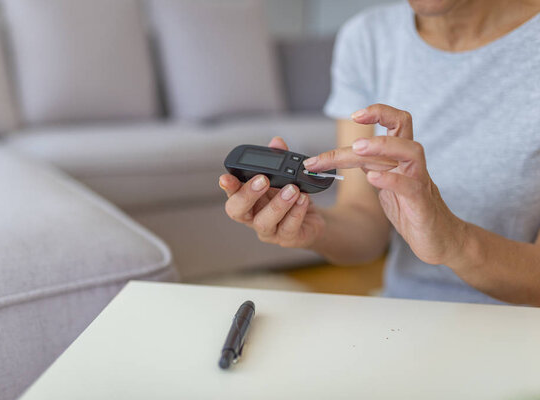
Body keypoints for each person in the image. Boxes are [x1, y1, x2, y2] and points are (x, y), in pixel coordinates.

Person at [219, 0, 540, 305]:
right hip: (403, 316)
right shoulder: (368, 39)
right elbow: (366, 223)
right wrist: (315, 230)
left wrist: (454, 241)